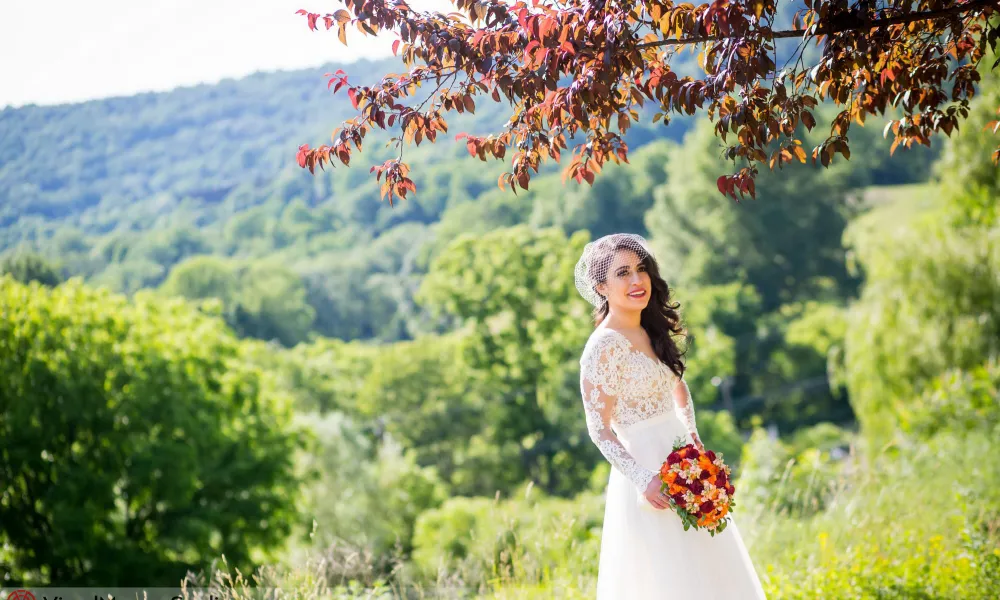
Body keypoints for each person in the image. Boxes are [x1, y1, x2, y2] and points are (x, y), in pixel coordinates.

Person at [575, 233, 767, 599]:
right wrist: (642, 479)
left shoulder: (651, 328)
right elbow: (598, 429)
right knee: (669, 576)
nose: (637, 280)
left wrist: (693, 436)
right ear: (601, 286)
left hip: (682, 457)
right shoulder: (602, 347)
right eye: (623, 273)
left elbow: (677, 385)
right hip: (648, 471)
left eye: (642, 269)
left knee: (711, 570)